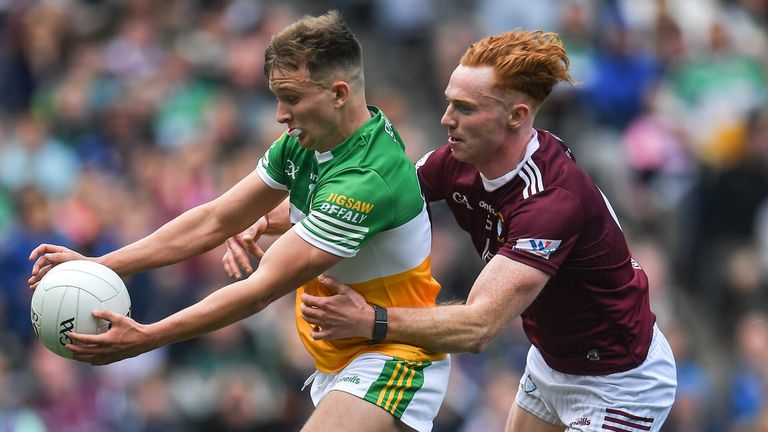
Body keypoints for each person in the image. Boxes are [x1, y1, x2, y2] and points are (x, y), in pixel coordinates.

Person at [224, 30, 677, 431]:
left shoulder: (552, 203)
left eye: (464, 108)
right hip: (550, 363)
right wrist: (265, 220)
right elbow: (365, 205)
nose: (446, 119)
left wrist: (370, 321)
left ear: (516, 117)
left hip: (619, 382)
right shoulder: (455, 163)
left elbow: (478, 327)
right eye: (447, 102)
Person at [28, 11, 450, 432]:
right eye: (276, 98)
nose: (281, 115)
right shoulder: (313, 142)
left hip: (396, 356)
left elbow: (258, 292)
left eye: (292, 98)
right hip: (342, 359)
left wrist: (147, 337)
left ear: (339, 93)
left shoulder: (366, 178)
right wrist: (100, 265)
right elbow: (214, 220)